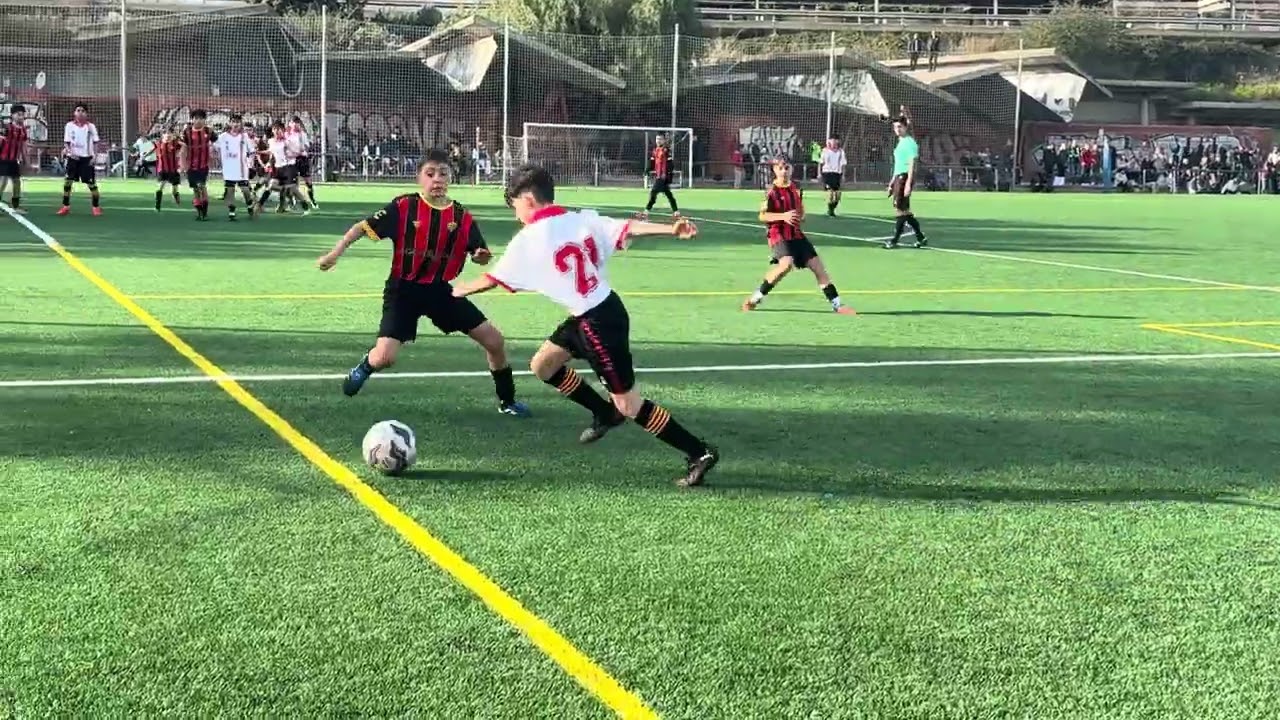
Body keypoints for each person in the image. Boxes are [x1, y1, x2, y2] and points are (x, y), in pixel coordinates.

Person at [451, 164, 718, 487]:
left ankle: (698, 451)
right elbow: (629, 227)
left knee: (629, 403)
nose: (516, 214)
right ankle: (604, 414)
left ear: (529, 199)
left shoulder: (530, 237)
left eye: (515, 205)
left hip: (598, 323)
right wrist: (670, 229)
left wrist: (458, 288)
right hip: (595, 313)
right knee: (543, 365)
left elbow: (492, 279)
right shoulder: (582, 219)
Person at [317, 149, 531, 418]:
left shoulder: (461, 217)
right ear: (419, 177)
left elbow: (478, 254)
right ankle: (365, 366)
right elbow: (362, 227)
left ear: (451, 178)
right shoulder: (404, 207)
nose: (437, 179)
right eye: (430, 174)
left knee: (495, 341)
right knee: (385, 357)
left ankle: (507, 401)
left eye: (443, 174)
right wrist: (334, 253)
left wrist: (481, 256)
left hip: (441, 291)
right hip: (403, 290)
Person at [742, 157, 855, 315]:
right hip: (778, 234)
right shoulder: (771, 191)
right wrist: (783, 216)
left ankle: (838, 305)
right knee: (785, 265)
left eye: (787, 168)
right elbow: (762, 216)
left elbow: (800, 210)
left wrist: (801, 215)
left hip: (796, 234)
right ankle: (755, 298)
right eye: (780, 168)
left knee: (818, 268)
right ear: (774, 170)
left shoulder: (796, 188)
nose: (784, 171)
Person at [884, 107, 928, 249]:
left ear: (905, 127)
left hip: (904, 178)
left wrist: (908, 183)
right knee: (905, 211)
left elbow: (911, 164)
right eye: (895, 127)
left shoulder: (909, 143)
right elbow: (897, 165)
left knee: (900, 210)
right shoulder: (900, 142)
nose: (897, 129)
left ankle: (895, 240)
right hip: (899, 177)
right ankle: (920, 237)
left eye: (900, 127)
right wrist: (892, 182)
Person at [58, 104, 102, 216]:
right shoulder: (69, 126)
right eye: (78, 110)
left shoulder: (91, 127)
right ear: (74, 113)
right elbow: (66, 142)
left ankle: (96, 207)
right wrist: (69, 152)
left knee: (91, 184)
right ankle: (65, 206)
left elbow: (96, 142)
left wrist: (95, 156)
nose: (80, 112)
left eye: (83, 111)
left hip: (87, 159)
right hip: (73, 158)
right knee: (68, 182)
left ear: (86, 114)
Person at [215, 114, 257, 221]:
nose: (235, 124)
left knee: (245, 190)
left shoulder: (245, 136)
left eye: (238, 122)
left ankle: (249, 204)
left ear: (241, 124)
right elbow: (215, 148)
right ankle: (232, 210)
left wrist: (250, 162)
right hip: (229, 168)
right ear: (229, 123)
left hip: (242, 169)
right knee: (230, 190)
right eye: (233, 122)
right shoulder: (223, 136)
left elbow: (252, 151)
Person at [181, 109, 217, 220]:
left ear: (204, 120)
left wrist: (213, 155)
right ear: (192, 120)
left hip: (203, 165)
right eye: (196, 118)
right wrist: (182, 165)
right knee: (196, 189)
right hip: (190, 166)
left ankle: (204, 212)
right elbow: (183, 148)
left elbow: (217, 143)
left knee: (201, 186)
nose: (198, 121)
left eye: (201, 118)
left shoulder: (208, 131)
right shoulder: (186, 132)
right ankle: (199, 212)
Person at [639, 133, 679, 219]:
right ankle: (676, 212)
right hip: (659, 176)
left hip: (663, 177)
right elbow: (652, 162)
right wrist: (647, 170)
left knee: (653, 192)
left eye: (660, 139)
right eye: (657, 139)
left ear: (664, 140)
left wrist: (668, 175)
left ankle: (646, 212)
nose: (658, 141)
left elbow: (671, 165)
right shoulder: (655, 150)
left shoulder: (666, 151)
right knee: (668, 194)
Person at [0, 104, 29, 214]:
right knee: (2, 182)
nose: (21, 117)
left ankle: (16, 206)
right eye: (18, 114)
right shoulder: (6, 128)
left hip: (13, 160)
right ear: (12, 115)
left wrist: (27, 161)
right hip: (3, 159)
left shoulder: (23, 130)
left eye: (22, 115)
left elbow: (23, 146)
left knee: (17, 182)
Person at [153, 128, 184, 211]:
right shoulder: (158, 143)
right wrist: (143, 154)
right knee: (160, 186)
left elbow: (184, 145)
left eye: (170, 135)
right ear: (163, 135)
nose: (168, 137)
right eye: (167, 135)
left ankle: (175, 196)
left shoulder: (175, 143)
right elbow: (150, 149)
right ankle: (157, 204)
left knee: (174, 189)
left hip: (173, 170)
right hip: (162, 169)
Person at [819, 135, 846, 217]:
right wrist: (819, 174)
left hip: (837, 174)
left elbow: (843, 164)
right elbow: (821, 163)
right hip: (827, 173)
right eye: (831, 141)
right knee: (830, 193)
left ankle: (832, 208)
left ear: (837, 142)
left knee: (837, 195)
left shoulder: (841, 152)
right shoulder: (825, 151)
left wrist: (843, 175)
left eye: (835, 141)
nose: (833, 143)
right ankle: (830, 210)